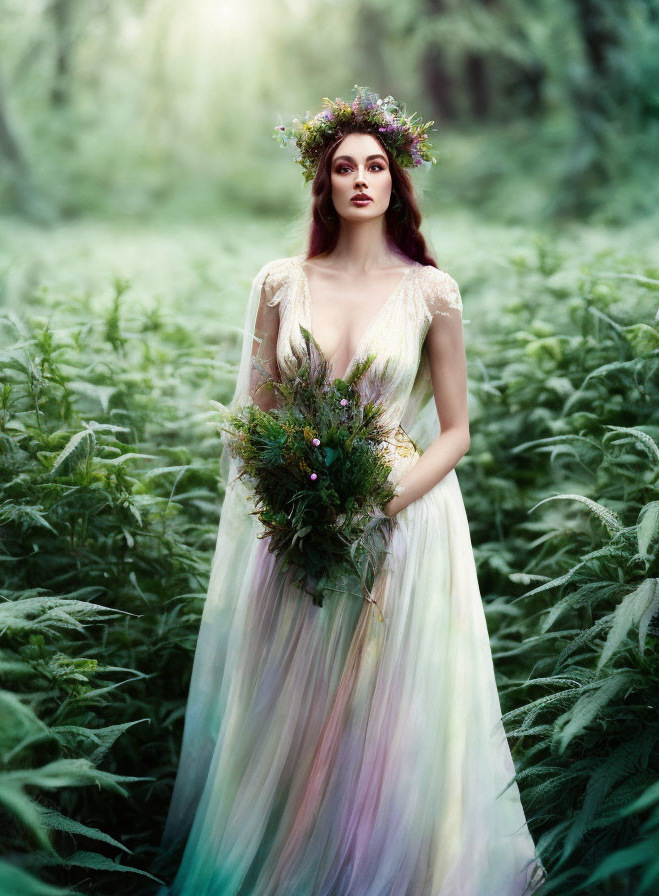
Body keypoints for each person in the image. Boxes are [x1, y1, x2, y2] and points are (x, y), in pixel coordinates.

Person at [153, 86, 547, 896]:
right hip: (296, 512)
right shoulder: (278, 282)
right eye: (344, 167)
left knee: (387, 705)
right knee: (290, 703)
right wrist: (288, 506)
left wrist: (383, 502)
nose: (361, 179)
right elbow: (254, 418)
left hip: (403, 518)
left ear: (397, 183)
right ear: (323, 183)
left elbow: (456, 432)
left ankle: (388, 865)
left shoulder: (431, 292)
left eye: (376, 165)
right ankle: (292, 856)